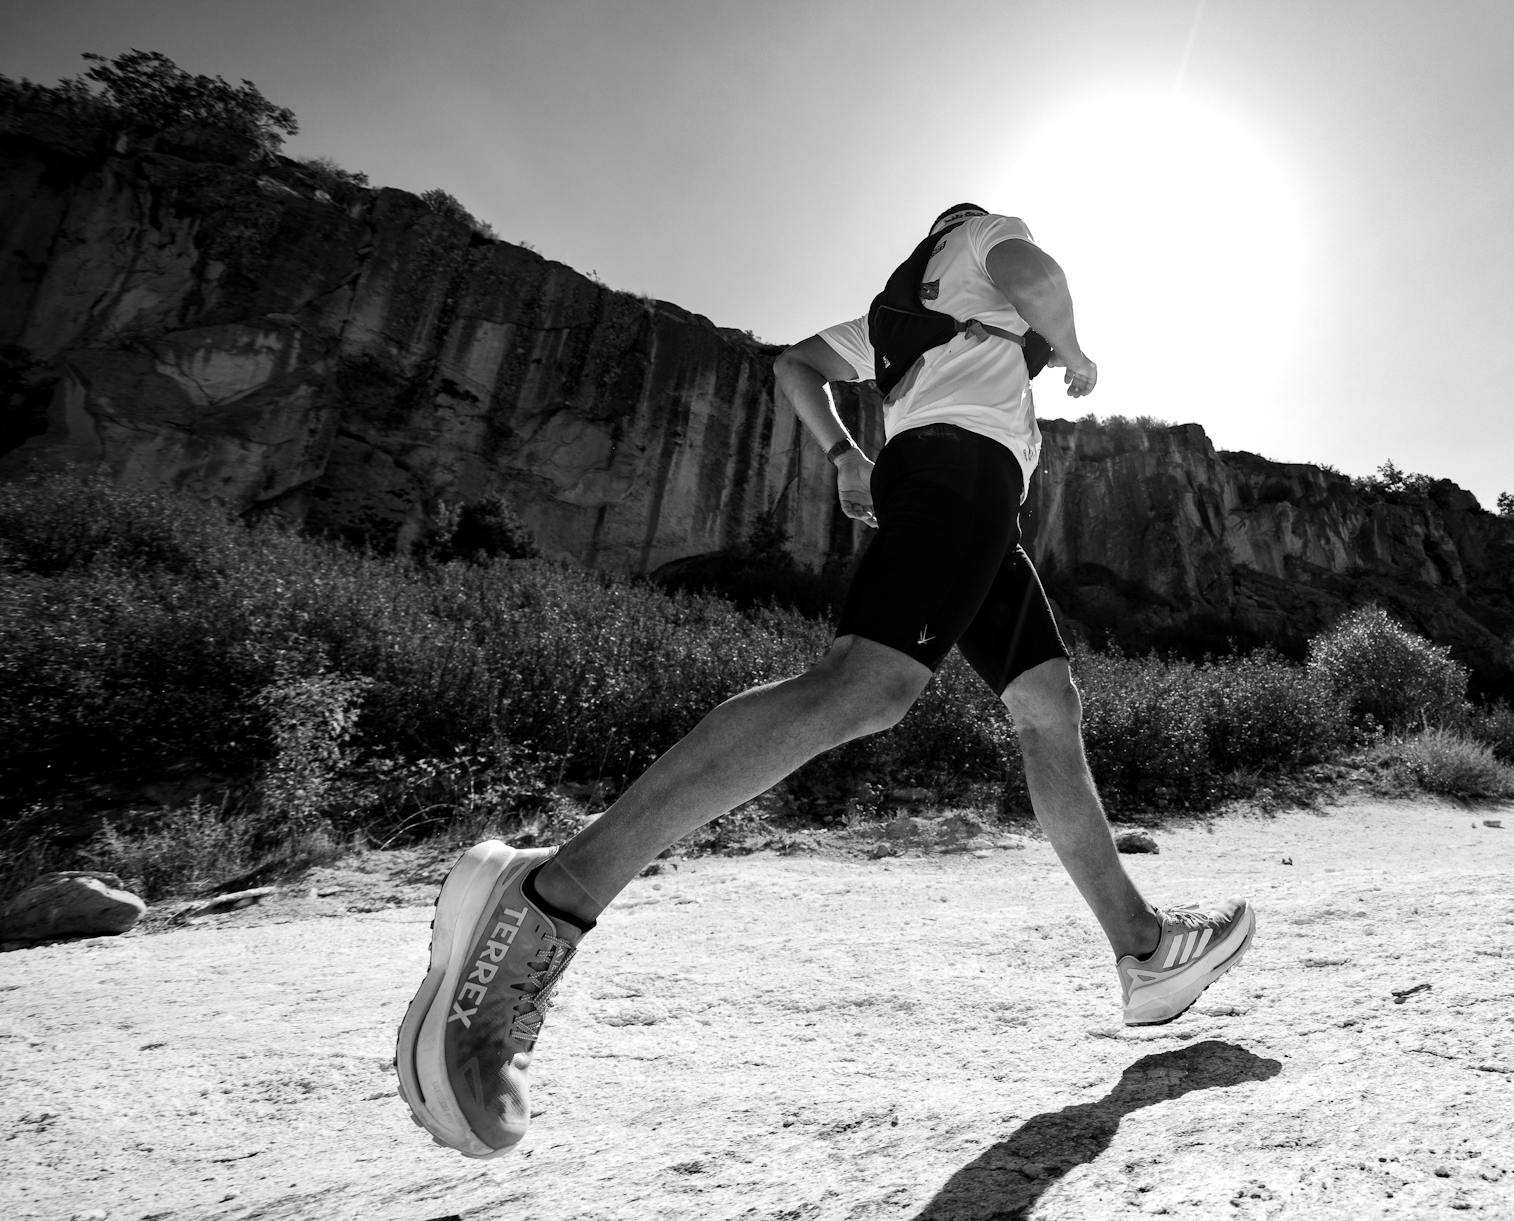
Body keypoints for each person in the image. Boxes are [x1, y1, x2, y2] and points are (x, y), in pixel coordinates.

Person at [395, 203, 1254, 1159]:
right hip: (960, 476)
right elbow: (1038, 275)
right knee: (867, 688)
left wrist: (848, 454)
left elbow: (793, 362)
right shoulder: (976, 236)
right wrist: (1076, 347)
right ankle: (545, 902)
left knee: (1047, 707)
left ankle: (1142, 951)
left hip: (974, 500)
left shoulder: (892, 321)